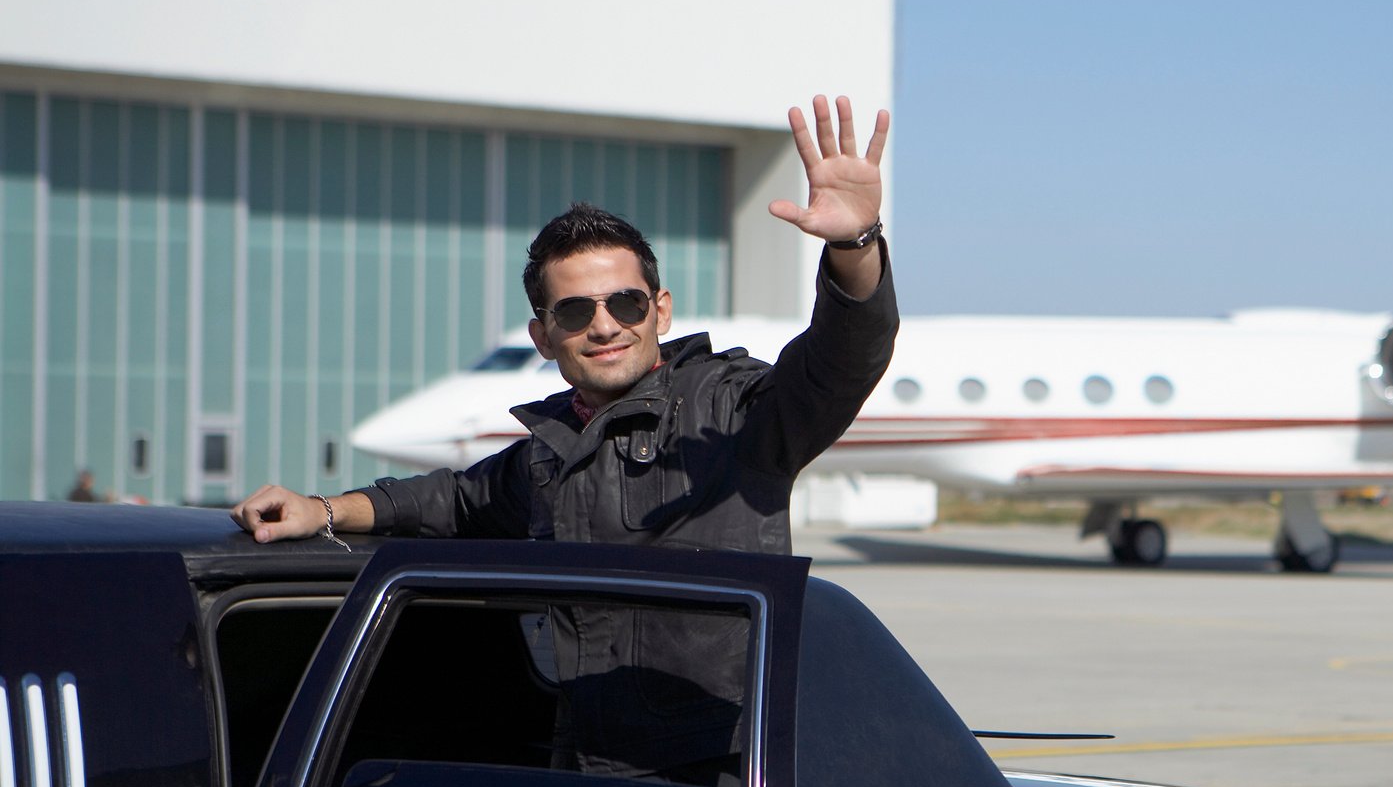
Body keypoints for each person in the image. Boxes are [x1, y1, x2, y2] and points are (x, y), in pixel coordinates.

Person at [231, 93, 895, 553]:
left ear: (660, 311)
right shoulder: (550, 452)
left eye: (627, 303)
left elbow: (843, 359)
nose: (605, 325)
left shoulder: (731, 414)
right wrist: (322, 511)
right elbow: (451, 502)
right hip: (573, 750)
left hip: (709, 755)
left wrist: (854, 243)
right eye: (576, 312)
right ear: (543, 336)